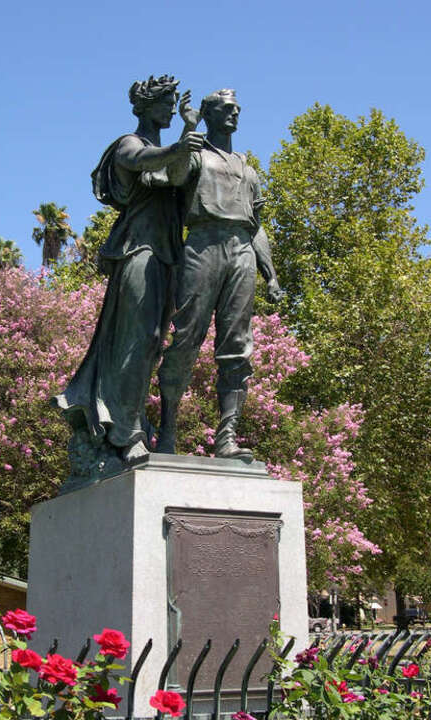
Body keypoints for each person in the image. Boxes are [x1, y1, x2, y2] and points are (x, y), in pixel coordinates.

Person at [52, 75, 203, 468]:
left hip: (167, 254)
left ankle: (130, 422)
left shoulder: (167, 149)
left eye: (174, 101)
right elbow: (139, 161)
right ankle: (126, 431)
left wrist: (188, 129)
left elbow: (181, 172)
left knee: (152, 342)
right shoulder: (128, 144)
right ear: (146, 105)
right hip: (137, 249)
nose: (172, 107)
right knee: (136, 340)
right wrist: (179, 143)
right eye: (166, 102)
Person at [157, 89, 283, 462]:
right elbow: (175, 175)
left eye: (237, 109)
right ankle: (166, 432)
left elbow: (256, 225)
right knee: (186, 339)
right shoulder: (195, 153)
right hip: (202, 246)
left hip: (241, 251)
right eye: (226, 109)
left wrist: (270, 273)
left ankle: (226, 438)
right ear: (209, 114)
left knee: (237, 347)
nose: (234, 114)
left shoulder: (248, 168)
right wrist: (186, 132)